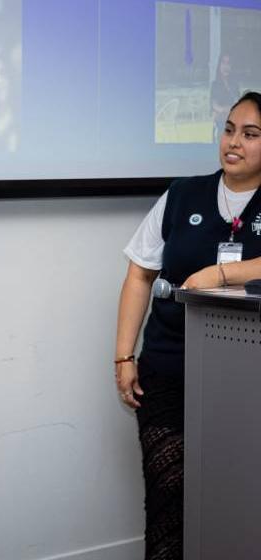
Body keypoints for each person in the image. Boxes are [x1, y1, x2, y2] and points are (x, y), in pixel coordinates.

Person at [114, 91, 261, 559]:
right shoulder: (182, 194)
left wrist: (223, 274)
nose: (233, 142)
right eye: (229, 129)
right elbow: (139, 274)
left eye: (251, 134)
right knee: (168, 494)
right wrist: (123, 356)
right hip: (168, 369)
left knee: (237, 501)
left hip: (246, 383)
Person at [210, 53, 240, 142]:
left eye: (228, 63)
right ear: (219, 66)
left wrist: (226, 110)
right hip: (220, 124)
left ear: (231, 67)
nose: (226, 66)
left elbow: (237, 104)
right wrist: (225, 109)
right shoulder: (215, 85)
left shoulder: (234, 85)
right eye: (223, 63)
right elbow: (214, 106)